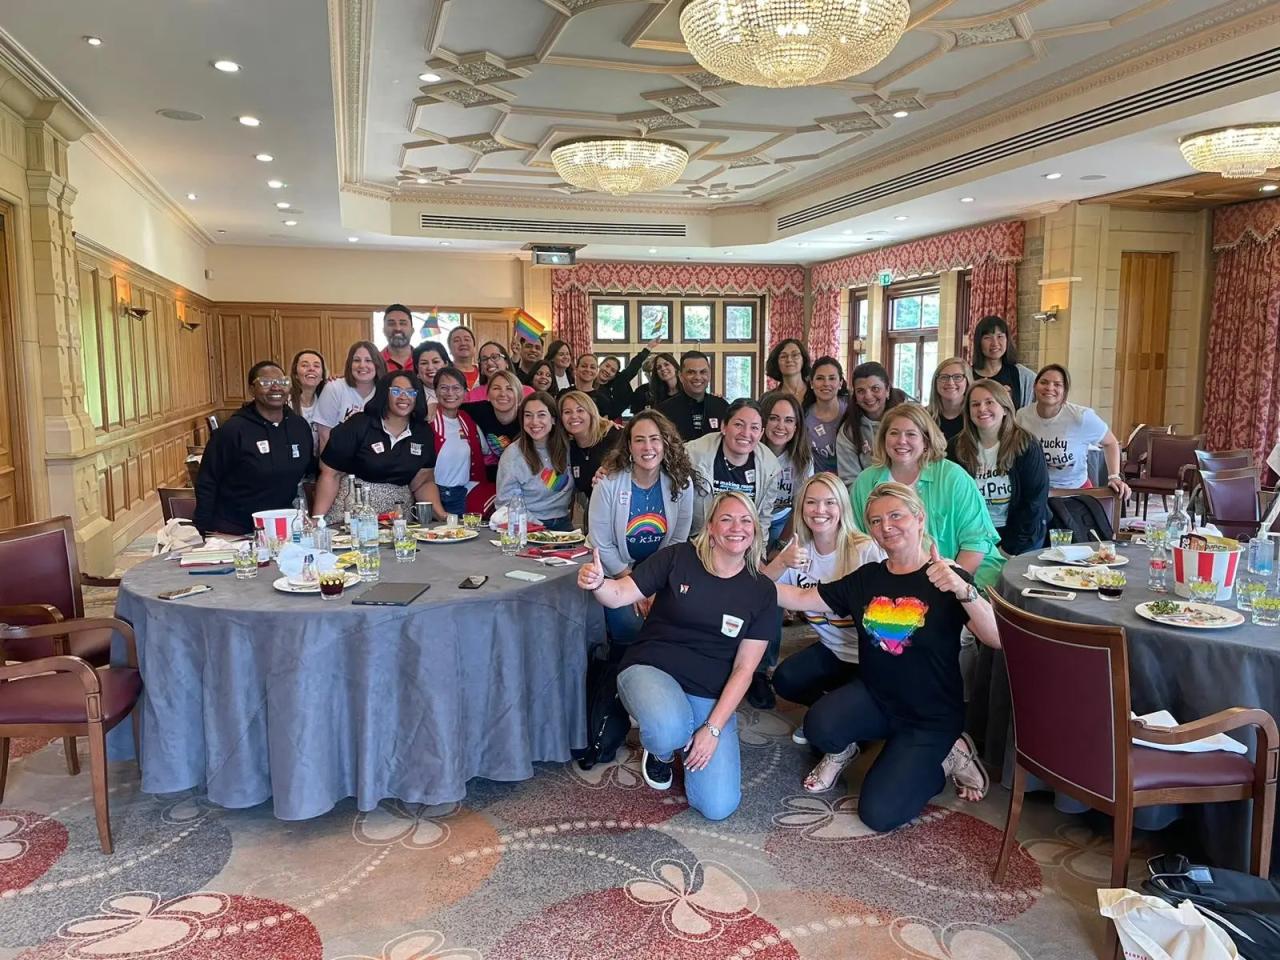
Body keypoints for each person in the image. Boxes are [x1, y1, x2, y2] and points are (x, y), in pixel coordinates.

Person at [774, 482, 998, 826]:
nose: (886, 527)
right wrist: (740, 582)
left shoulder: (947, 577)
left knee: (879, 814)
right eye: (876, 521)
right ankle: (900, 753)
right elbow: (803, 599)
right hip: (877, 698)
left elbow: (996, 639)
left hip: (930, 717)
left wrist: (964, 590)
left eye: (896, 516)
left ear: (919, 518)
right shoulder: (868, 578)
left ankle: (951, 755)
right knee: (820, 726)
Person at [577, 491, 780, 820]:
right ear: (711, 527)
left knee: (717, 806)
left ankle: (675, 730)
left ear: (755, 530)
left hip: (708, 692)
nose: (736, 527)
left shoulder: (761, 591)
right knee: (669, 729)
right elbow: (618, 595)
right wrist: (599, 582)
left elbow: (744, 669)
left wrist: (712, 729)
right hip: (651, 667)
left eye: (745, 521)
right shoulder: (678, 558)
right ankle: (660, 749)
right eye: (726, 519)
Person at [764, 473, 884, 744]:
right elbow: (760, 590)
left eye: (830, 503)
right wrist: (781, 563)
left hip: (869, 656)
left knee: (825, 738)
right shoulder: (798, 551)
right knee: (785, 679)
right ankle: (832, 707)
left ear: (842, 507)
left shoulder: (866, 550)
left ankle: (850, 716)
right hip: (832, 649)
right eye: (811, 503)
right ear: (801, 508)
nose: (820, 511)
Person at [849, 402, 1004, 589]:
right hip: (892, 580)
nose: (901, 441)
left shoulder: (953, 477)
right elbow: (855, 541)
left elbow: (975, 544)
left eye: (911, 434)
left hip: (962, 578)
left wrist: (943, 587)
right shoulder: (865, 481)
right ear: (883, 439)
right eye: (894, 433)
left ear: (926, 441)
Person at [589, 411, 702, 645]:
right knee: (631, 625)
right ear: (629, 446)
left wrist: (651, 584)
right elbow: (601, 543)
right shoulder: (608, 483)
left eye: (655, 439)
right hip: (616, 570)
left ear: (665, 443)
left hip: (659, 569)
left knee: (677, 617)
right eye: (639, 440)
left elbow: (677, 542)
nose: (647, 446)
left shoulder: (681, 483)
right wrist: (634, 584)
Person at [194, 361, 313, 536]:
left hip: (280, 526)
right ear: (252, 390)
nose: (275, 388)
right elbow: (207, 480)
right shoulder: (233, 430)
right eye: (265, 383)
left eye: (282, 382)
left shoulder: (299, 427)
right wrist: (203, 531)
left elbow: (310, 467)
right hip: (235, 529)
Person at [313, 370, 443, 521]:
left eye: (411, 392)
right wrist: (317, 519)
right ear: (384, 394)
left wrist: (442, 515)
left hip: (399, 518)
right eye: (396, 391)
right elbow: (331, 474)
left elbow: (423, 482)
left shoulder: (422, 432)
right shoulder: (359, 424)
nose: (404, 397)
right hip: (352, 514)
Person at [950, 380, 1049, 556]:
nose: (982, 409)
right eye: (975, 404)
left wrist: (1008, 549)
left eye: (989, 402)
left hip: (1020, 537)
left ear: (1004, 408)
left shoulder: (1026, 445)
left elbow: (1033, 503)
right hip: (972, 536)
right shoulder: (956, 447)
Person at [1015, 364, 1130, 498]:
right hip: (1037, 491)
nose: (1049, 388)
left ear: (1065, 391)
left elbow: (1111, 442)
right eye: (1044, 382)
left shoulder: (1081, 417)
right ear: (1035, 386)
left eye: (1057, 384)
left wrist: (1114, 476)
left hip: (1075, 491)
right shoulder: (1022, 416)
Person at [686, 398, 781, 536]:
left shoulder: (770, 467)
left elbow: (763, 520)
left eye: (754, 428)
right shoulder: (693, 455)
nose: (746, 433)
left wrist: (759, 555)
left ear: (761, 433)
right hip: (700, 540)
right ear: (724, 426)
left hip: (741, 543)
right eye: (738, 425)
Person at [495, 391, 575, 530]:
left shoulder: (569, 447)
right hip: (527, 525)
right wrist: (539, 527)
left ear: (553, 419)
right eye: (528, 415)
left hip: (564, 524)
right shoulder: (513, 454)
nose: (534, 422)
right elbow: (505, 502)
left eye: (541, 415)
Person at [427, 367, 490, 517]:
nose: (450, 393)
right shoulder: (427, 419)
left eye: (456, 388)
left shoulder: (467, 419)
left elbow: (485, 450)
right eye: (444, 388)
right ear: (435, 391)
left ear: (465, 392)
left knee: (461, 536)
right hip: (432, 494)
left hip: (460, 495)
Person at [836, 361, 906, 485]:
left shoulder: (909, 421)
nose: (868, 396)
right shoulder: (849, 431)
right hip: (869, 499)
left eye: (875, 389)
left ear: (888, 390)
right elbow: (851, 481)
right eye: (861, 391)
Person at [312, 341, 387, 455]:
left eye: (368, 360)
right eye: (356, 360)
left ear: (377, 364)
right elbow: (324, 436)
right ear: (349, 364)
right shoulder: (334, 388)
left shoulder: (385, 391)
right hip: (339, 462)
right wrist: (331, 469)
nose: (362, 365)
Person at [760, 391, 813, 546]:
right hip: (751, 519)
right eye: (773, 418)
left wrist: (781, 544)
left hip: (784, 519)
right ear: (762, 421)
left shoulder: (803, 459)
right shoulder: (750, 453)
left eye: (789, 420)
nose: (781, 426)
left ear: (796, 426)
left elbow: (800, 507)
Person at [559, 390, 620, 510]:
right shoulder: (570, 449)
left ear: (591, 413)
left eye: (580, 410)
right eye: (567, 412)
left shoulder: (615, 437)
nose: (574, 416)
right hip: (598, 514)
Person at [462, 369, 523, 481]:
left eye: (509, 389)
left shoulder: (527, 418)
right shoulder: (481, 410)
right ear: (488, 394)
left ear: (519, 396)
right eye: (496, 388)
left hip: (521, 478)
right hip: (489, 478)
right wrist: (433, 406)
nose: (502, 394)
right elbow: (452, 406)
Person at [658, 350, 729, 442]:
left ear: (709, 375)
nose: (698, 377)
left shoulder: (722, 406)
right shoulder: (664, 411)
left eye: (703, 372)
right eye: (691, 372)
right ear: (680, 376)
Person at [971, 315, 1036, 409]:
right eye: (987, 337)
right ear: (978, 342)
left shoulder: (1022, 374)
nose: (995, 343)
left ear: (1007, 340)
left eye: (1000, 336)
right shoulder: (968, 375)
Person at [594, 337, 660, 419]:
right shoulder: (589, 383)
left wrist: (649, 347)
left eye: (613, 370)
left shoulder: (620, 381)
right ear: (600, 365)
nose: (607, 371)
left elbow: (634, 366)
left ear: (615, 374)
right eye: (607, 366)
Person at [803, 357, 847, 475]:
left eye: (832, 378)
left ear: (840, 383)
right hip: (817, 484)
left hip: (849, 483)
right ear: (812, 383)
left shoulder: (852, 412)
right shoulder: (803, 416)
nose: (826, 383)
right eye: (820, 378)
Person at [466, 341, 532, 401]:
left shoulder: (527, 392)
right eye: (484, 359)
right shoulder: (471, 396)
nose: (489, 362)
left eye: (494, 357)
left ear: (506, 362)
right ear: (481, 368)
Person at [289, 349, 327, 450]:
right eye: (305, 365)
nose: (311, 369)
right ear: (295, 374)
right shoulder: (285, 403)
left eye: (316, 366)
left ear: (322, 376)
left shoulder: (327, 401)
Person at [927, 358, 972, 443]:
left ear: (968, 381)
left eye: (957, 377)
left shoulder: (975, 416)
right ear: (935, 382)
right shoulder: (924, 416)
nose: (950, 382)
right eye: (944, 377)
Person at [766, 339, 811, 406]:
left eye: (795, 355)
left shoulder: (816, 393)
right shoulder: (768, 399)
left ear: (803, 360)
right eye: (783, 356)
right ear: (776, 363)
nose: (789, 360)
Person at [380, 303, 416, 372]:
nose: (398, 328)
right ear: (383, 330)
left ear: (412, 330)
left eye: (403, 323)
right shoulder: (375, 362)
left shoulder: (423, 361)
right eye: (391, 324)